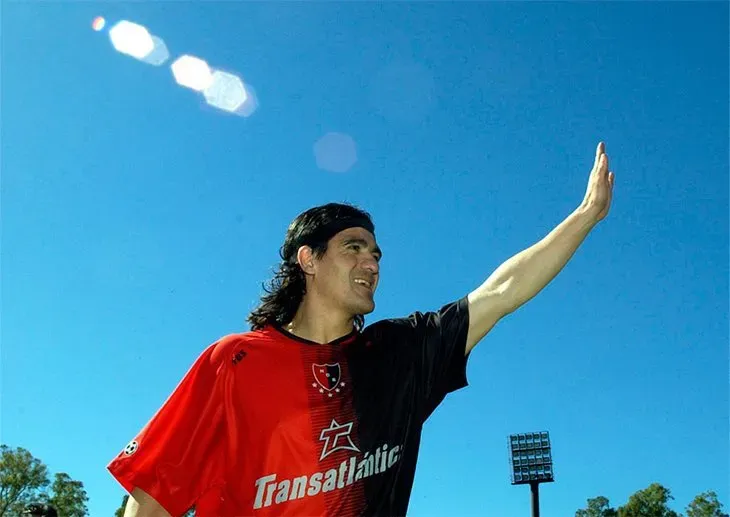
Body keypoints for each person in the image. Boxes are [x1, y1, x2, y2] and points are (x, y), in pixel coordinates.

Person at [109, 143, 615, 516]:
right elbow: (154, 496)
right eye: (354, 247)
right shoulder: (235, 360)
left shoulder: (401, 352)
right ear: (308, 259)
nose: (372, 262)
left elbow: (501, 293)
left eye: (376, 254)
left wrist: (586, 216)